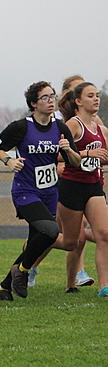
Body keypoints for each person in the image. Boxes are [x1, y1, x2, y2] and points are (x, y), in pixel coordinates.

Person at [0, 81, 80, 300]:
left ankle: (3, 288)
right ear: (33, 103)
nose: (51, 101)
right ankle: (22, 271)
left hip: (49, 193)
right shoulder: (21, 127)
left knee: (35, 242)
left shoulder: (60, 127)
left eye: (52, 96)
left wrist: (68, 150)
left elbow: (76, 163)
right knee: (50, 231)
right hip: (25, 191)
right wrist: (9, 161)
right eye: (45, 98)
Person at [54, 81, 108, 296]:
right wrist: (87, 153)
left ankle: (104, 286)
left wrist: (101, 158)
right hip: (72, 186)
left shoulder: (102, 129)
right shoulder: (73, 125)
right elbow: (57, 155)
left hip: (94, 186)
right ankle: (42, 240)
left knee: (104, 233)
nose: (96, 99)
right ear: (78, 101)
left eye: (97, 95)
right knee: (71, 241)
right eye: (90, 96)